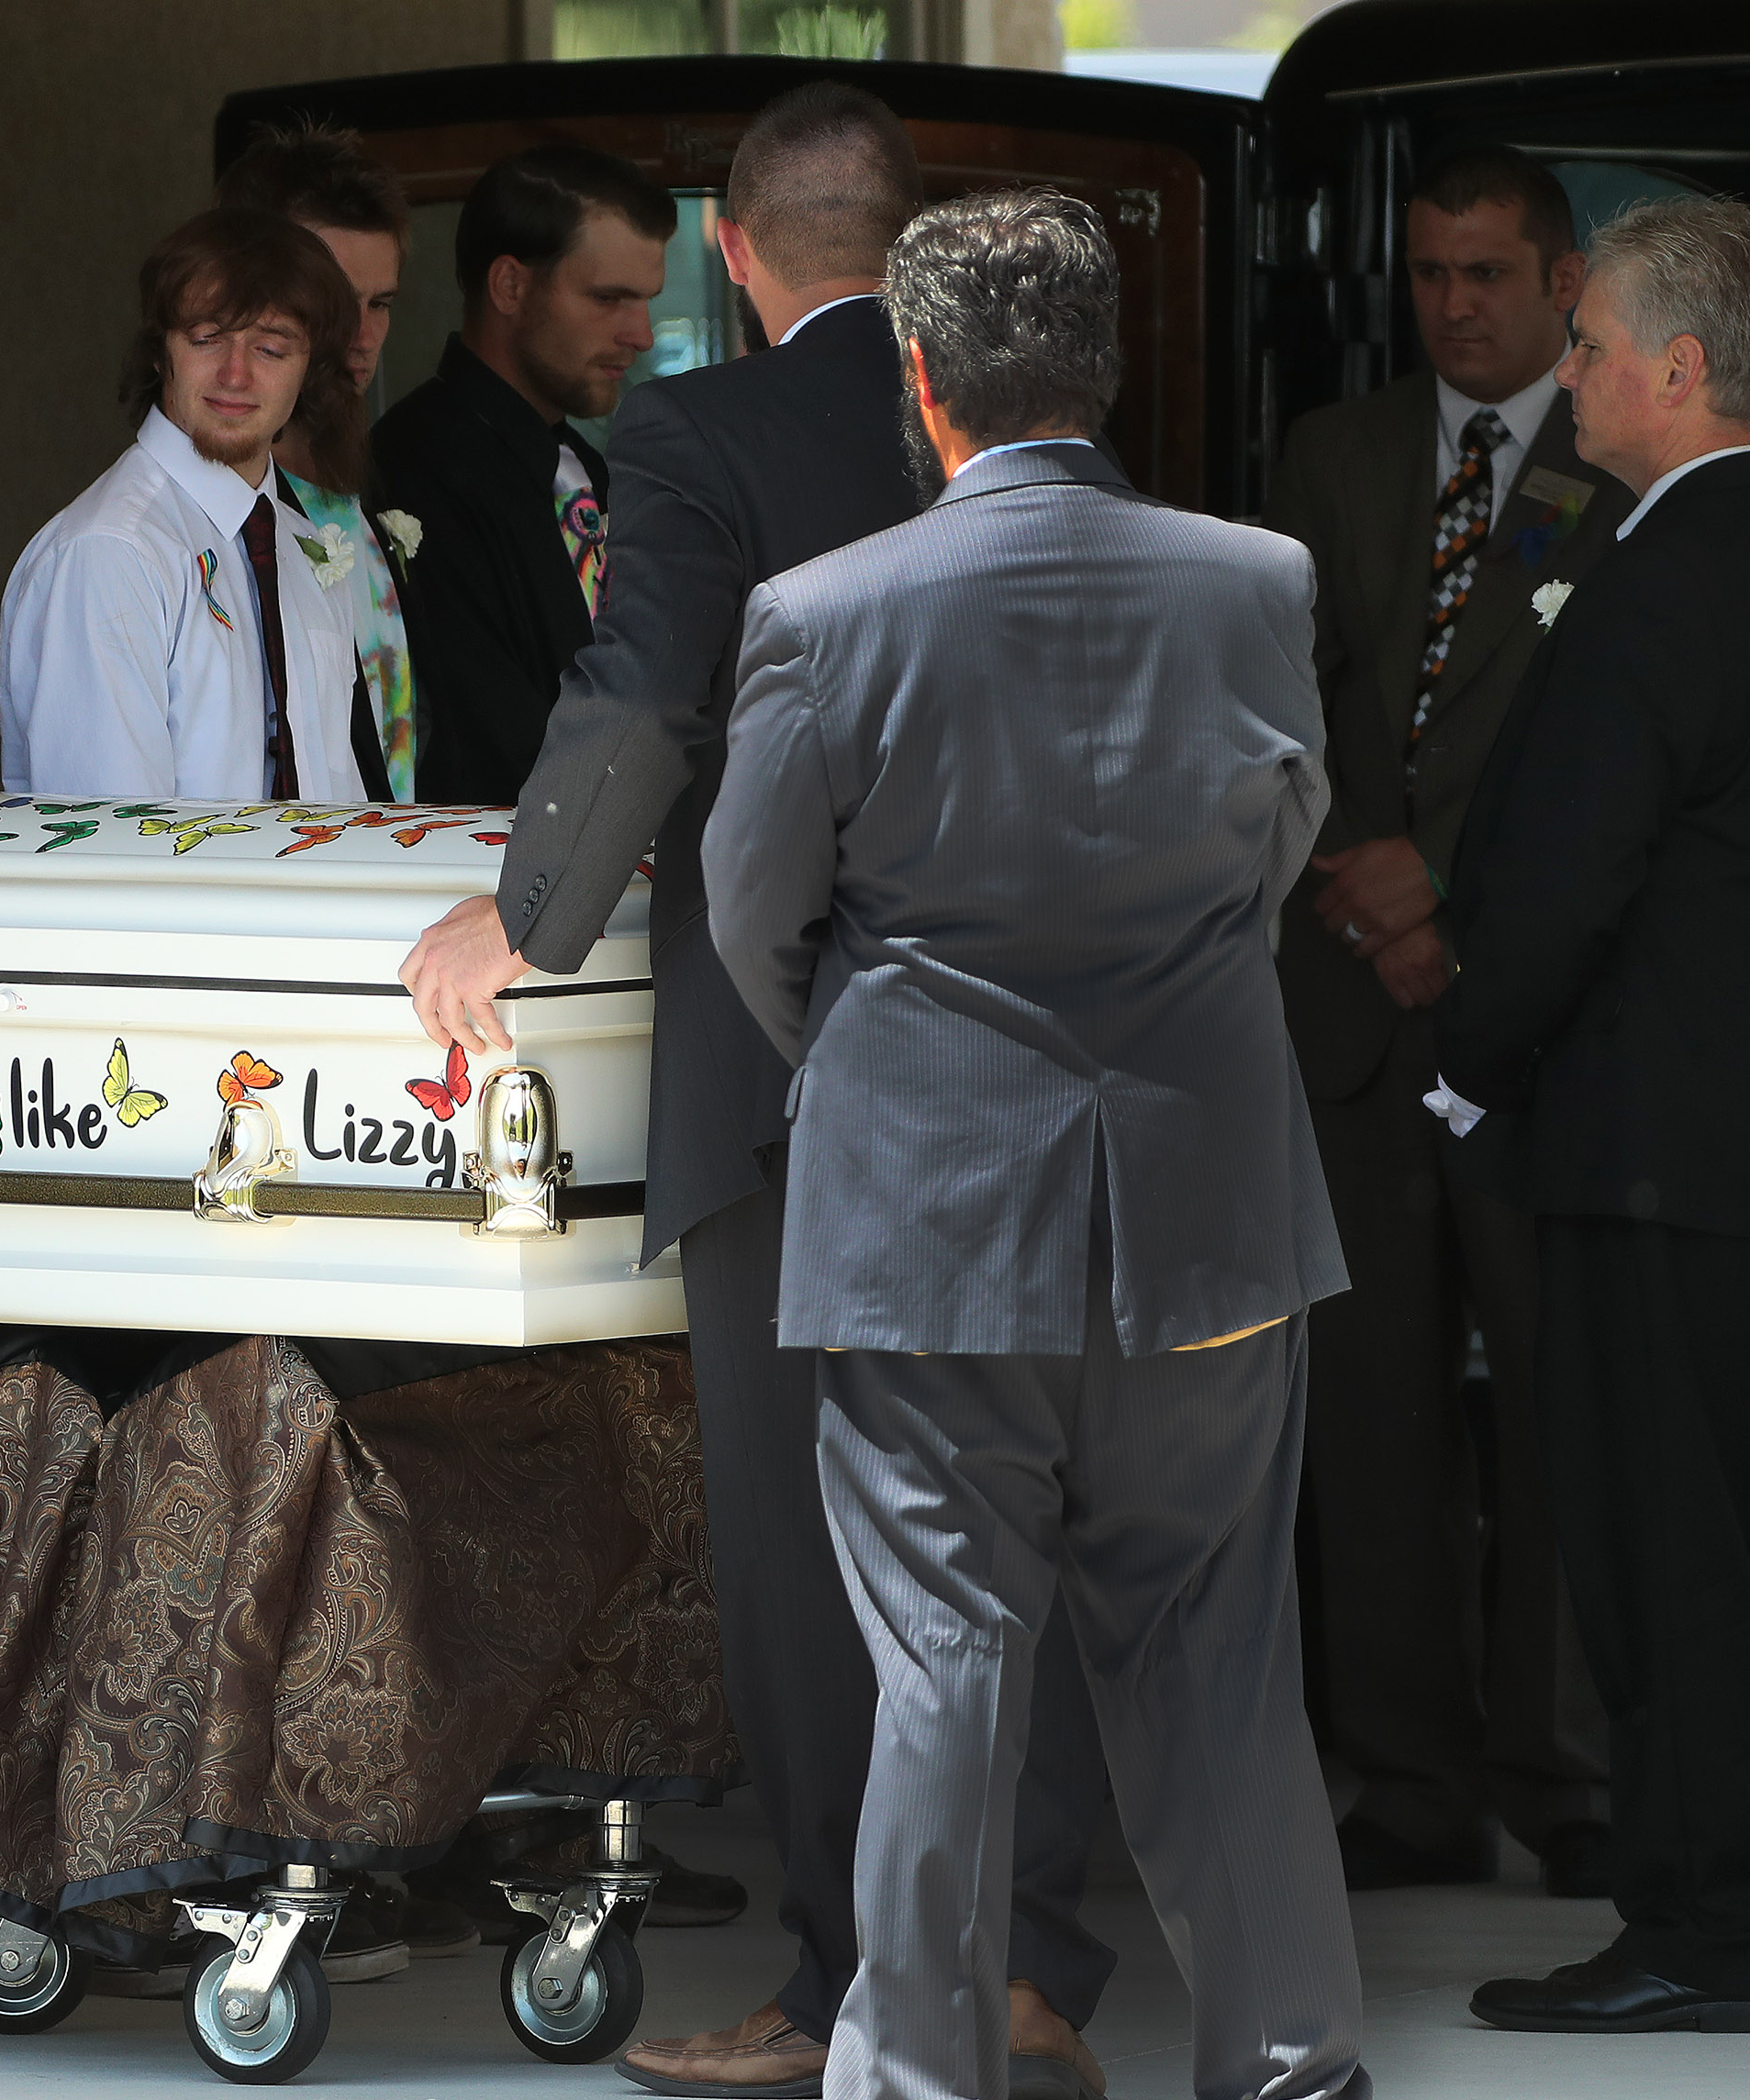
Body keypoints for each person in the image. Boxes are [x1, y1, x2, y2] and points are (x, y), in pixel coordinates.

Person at [403, 89, 1116, 2100]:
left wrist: (521, 914)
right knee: (1010, 1529)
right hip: (1035, 1064)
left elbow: (645, 687)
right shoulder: (1028, 431)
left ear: (734, 251)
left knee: (817, 1562)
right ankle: (1028, 1966)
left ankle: (854, 1987)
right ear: (912, 237)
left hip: (797, 1074)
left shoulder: (700, 432)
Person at [703, 190, 1367, 2100]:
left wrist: (882, 1065)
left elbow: (755, 912)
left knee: (943, 1666)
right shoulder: (1256, 579)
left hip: (926, 1220)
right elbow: (1277, 843)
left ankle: (917, 2076)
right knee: (1220, 1667)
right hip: (1206, 1201)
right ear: (1104, 365)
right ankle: (1291, 2069)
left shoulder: (821, 612)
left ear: (917, 378)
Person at [1263, 144, 1620, 1896]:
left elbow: (1612, 728)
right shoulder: (1333, 454)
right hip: (1349, 999)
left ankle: (1569, 1771)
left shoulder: (1620, 460)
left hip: (1535, 1009)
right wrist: (1357, 873)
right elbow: (1274, 689)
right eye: (1428, 273)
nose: (1454, 305)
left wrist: (1450, 893)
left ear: (1565, 282)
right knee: (1372, 1414)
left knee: (1563, 1405)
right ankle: (1407, 1776)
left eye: (1486, 273)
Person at [1436, 196, 1750, 2035]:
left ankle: (1699, 1927)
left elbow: (1570, 875)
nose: (1564, 376)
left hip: (1654, 1147)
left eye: (1589, 345)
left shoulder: (1665, 567)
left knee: (1662, 1549)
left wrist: (1469, 1056)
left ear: (1679, 369)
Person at [0, 206, 388, 803]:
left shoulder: (302, 544)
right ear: (162, 352)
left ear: (309, 369)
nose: (235, 375)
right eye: (207, 338)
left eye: (271, 349)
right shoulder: (110, 553)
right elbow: (111, 839)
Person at [373, 143, 674, 802]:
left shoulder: (586, 466)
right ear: (510, 285)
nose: (642, 334)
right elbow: (486, 742)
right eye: (609, 298)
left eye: (646, 301)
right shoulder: (412, 467)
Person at [216, 122, 423, 798]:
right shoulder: (215, 517)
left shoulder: (381, 483)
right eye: (330, 300)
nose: (360, 335)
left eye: (380, 304)